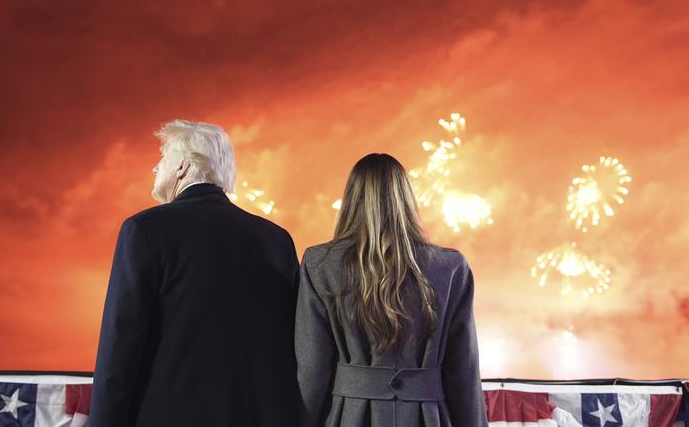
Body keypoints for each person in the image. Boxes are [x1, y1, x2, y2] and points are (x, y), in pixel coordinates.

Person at [89, 119, 301, 427]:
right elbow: (294, 345)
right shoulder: (277, 240)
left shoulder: (145, 230)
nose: (155, 168)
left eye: (161, 159)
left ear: (182, 167)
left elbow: (120, 348)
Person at [295, 153, 488, 427]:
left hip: (349, 417)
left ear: (351, 199)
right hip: (428, 417)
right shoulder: (451, 267)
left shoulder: (320, 263)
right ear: (406, 198)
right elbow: (463, 370)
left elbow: (312, 368)